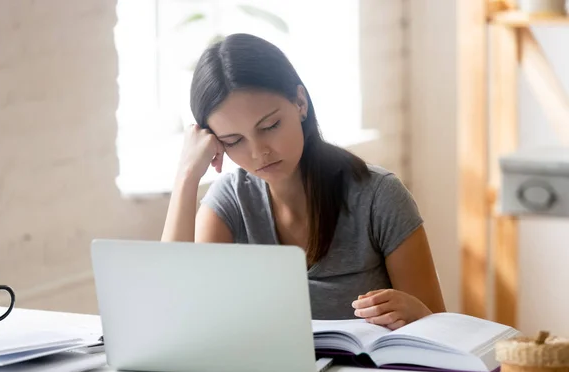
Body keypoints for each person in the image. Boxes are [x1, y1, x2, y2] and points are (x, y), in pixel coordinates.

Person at [161, 33, 446, 329]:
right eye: (233, 141)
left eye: (270, 126)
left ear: (300, 102)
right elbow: (173, 314)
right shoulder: (230, 204)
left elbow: (444, 332)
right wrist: (186, 176)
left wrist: (418, 314)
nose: (259, 153)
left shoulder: (379, 198)